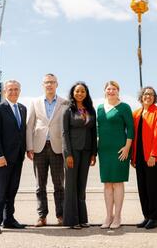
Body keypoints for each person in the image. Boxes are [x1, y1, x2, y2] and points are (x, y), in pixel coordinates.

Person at [26, 73, 67, 227]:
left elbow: (66, 127)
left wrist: (66, 148)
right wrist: (29, 147)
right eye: (46, 82)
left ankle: (61, 215)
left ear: (57, 84)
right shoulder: (35, 102)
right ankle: (42, 216)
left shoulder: (64, 102)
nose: (49, 85)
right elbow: (29, 125)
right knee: (40, 185)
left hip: (58, 148)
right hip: (39, 148)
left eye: (52, 82)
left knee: (59, 185)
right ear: (42, 85)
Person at [0, 80, 27, 234]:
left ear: (20, 91)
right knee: (0, 191)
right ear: (5, 92)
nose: (13, 92)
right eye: (10, 89)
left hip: (17, 157)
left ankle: (8, 219)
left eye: (16, 89)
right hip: (2, 158)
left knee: (12, 190)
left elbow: (21, 133)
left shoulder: (23, 109)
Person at [97, 81, 134, 229]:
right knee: (107, 183)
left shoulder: (124, 107)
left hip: (120, 150)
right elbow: (98, 129)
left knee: (118, 183)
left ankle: (118, 216)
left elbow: (131, 129)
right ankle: (108, 216)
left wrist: (127, 147)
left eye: (114, 89)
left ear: (118, 91)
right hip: (104, 151)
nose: (111, 91)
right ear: (105, 91)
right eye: (108, 89)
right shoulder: (99, 108)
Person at [61, 82, 98, 229]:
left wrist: (94, 153)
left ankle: (82, 218)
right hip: (73, 152)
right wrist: (68, 154)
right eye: (77, 91)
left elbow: (93, 132)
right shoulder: (68, 110)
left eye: (83, 91)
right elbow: (64, 133)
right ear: (73, 93)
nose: (80, 93)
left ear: (86, 93)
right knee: (71, 185)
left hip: (87, 151)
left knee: (81, 185)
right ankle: (72, 220)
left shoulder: (90, 110)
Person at [131, 86, 157, 230]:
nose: (148, 96)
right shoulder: (136, 113)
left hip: (153, 157)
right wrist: (133, 157)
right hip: (139, 156)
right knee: (142, 188)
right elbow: (134, 137)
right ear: (141, 97)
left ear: (154, 97)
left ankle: (154, 217)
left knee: (152, 188)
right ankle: (146, 216)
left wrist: (153, 154)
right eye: (146, 94)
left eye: (151, 94)